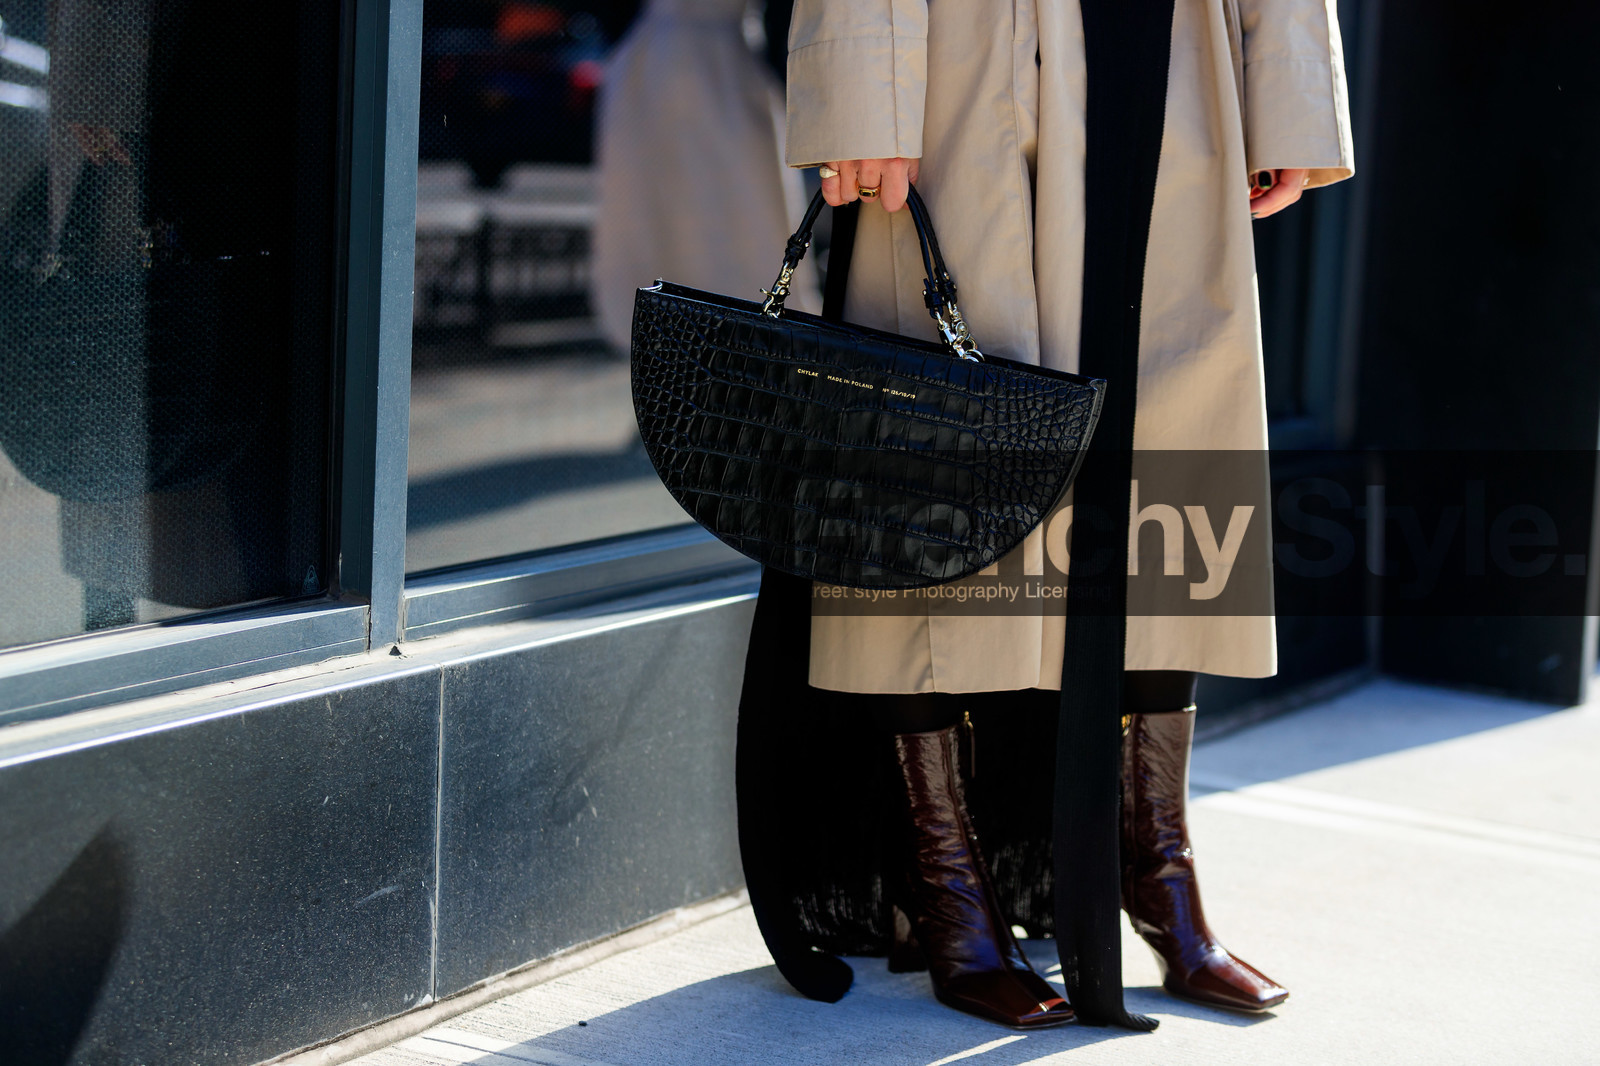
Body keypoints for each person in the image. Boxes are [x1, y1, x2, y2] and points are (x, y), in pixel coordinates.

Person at [735, 0, 1354, 1031]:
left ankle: (1158, 875)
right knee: (934, 442)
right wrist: (862, 89)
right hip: (958, 57)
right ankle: (942, 887)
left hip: (1171, 53)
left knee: (1175, 451)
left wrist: (1285, 88)